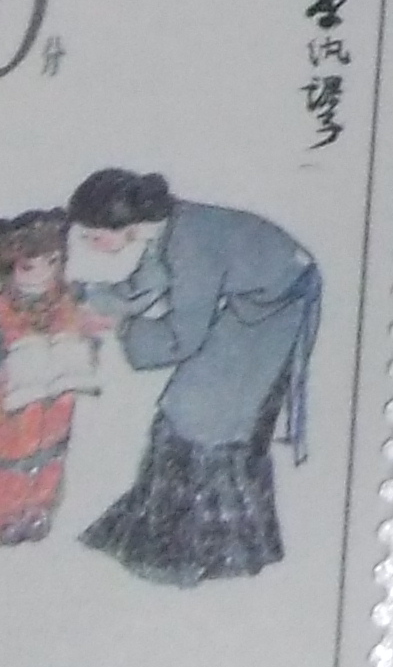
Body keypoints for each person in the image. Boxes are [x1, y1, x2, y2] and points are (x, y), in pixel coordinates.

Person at [61, 167, 324, 586]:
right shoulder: (166, 227)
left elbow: (183, 338)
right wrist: (90, 296)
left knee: (200, 418)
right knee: (189, 412)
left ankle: (217, 551)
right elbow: (146, 284)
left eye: (93, 236)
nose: (90, 245)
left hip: (273, 309)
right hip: (256, 300)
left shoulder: (191, 246)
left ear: (122, 224)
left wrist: (122, 327)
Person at [0, 206, 110, 546]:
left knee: (50, 456)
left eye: (52, 262)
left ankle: (39, 509)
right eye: (29, 267)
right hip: (10, 402)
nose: (42, 274)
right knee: (8, 462)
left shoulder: (68, 299)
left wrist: (85, 348)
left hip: (56, 399)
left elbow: (88, 332)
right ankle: (5, 516)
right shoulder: (0, 309)